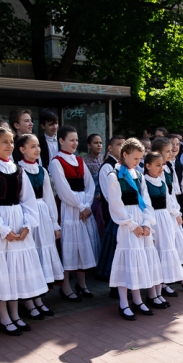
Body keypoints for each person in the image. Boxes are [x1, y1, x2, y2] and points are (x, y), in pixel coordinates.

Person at [0, 126, 48, 336]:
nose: (9, 146)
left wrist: (27, 225)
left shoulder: (18, 169)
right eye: (5, 142)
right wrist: (2, 229)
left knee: (16, 271)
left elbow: (28, 200)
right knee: (1, 272)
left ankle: (15, 314)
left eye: (11, 142)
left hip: (19, 221)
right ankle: (4, 317)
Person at [106, 139, 163, 320]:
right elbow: (115, 205)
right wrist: (133, 225)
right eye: (136, 158)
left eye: (140, 159)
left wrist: (147, 223)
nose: (138, 162)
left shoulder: (138, 175)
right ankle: (124, 302)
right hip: (127, 225)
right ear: (125, 154)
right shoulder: (114, 176)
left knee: (140, 262)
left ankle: (138, 299)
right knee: (128, 261)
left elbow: (146, 201)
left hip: (141, 222)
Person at [49, 125, 100, 301]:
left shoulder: (79, 160)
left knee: (82, 247)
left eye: (76, 140)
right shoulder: (56, 162)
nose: (74, 143)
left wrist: (87, 205)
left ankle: (82, 284)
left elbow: (90, 184)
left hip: (82, 208)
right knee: (69, 247)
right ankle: (65, 286)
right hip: (69, 209)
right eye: (71, 140)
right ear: (61, 141)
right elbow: (63, 190)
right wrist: (81, 206)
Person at [15, 134, 64, 316]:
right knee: (31, 257)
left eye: (38, 146)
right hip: (26, 214)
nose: (37, 149)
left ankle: (39, 299)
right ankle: (29, 302)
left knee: (41, 256)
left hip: (42, 214)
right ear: (22, 149)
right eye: (33, 146)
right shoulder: (17, 169)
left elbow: (49, 199)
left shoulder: (42, 170)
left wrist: (54, 223)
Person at [151, 137, 183, 292]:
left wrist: (176, 210)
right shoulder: (159, 170)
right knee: (166, 248)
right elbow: (165, 195)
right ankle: (165, 282)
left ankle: (180, 278)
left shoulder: (168, 167)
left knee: (172, 248)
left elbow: (173, 192)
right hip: (164, 212)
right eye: (167, 151)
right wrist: (175, 212)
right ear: (158, 153)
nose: (171, 153)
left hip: (171, 211)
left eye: (171, 150)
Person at [95, 135, 126, 294]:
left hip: (123, 212)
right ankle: (115, 286)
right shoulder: (108, 167)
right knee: (115, 249)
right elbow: (108, 195)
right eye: (119, 144)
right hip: (113, 214)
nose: (122, 147)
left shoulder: (123, 166)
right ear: (110, 148)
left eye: (124, 144)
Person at [82, 134, 105, 236]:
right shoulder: (83, 160)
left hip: (103, 196)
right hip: (90, 197)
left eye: (100, 143)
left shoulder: (104, 158)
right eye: (96, 143)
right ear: (89, 145)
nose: (99, 145)